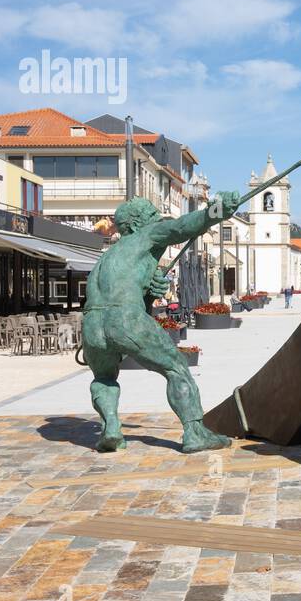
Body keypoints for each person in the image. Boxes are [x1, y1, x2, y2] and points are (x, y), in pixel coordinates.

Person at [81, 191, 242, 453]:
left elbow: (123, 290)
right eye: (151, 217)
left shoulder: (107, 257)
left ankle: (111, 426)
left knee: (103, 377)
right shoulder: (145, 235)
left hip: (91, 324)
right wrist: (216, 213)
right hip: (123, 317)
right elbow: (179, 228)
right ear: (135, 224)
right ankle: (194, 432)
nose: (157, 220)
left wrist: (148, 290)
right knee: (176, 368)